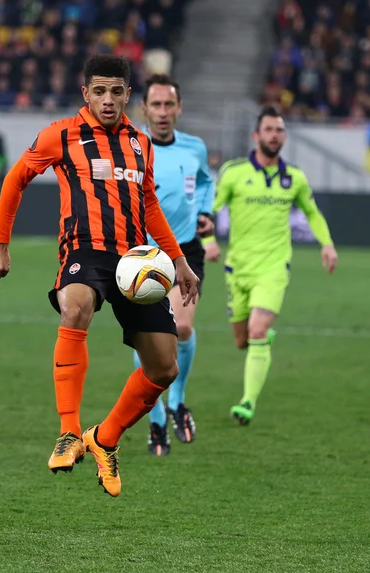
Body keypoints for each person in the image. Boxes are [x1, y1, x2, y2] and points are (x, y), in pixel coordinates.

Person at [0, 55, 199, 497]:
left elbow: (150, 205)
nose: (107, 99)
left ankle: (104, 440)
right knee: (75, 306)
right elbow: (15, 178)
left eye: (116, 91)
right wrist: (0, 243)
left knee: (164, 367)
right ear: (86, 94)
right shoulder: (61, 134)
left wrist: (177, 260)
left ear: (127, 96)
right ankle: (68, 432)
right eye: (99, 91)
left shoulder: (141, 144)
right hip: (84, 249)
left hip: (136, 261)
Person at [210, 105, 338, 425]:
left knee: (257, 329)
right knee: (243, 340)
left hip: (274, 267)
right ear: (256, 136)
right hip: (237, 268)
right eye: (269, 129)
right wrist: (207, 241)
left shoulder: (294, 177)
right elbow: (207, 210)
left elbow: (311, 213)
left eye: (280, 130)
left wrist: (327, 244)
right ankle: (262, 340)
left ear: (284, 136)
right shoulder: (234, 172)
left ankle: (247, 403)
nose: (274, 135)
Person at [135, 73, 220, 456]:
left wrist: (205, 211)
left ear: (179, 108)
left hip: (185, 250)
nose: (163, 112)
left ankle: (177, 400)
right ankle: (155, 425)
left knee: (182, 328)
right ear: (145, 109)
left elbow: (205, 182)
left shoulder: (194, 148)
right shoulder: (131, 146)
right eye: (156, 104)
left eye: (170, 104)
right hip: (140, 255)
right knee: (149, 340)